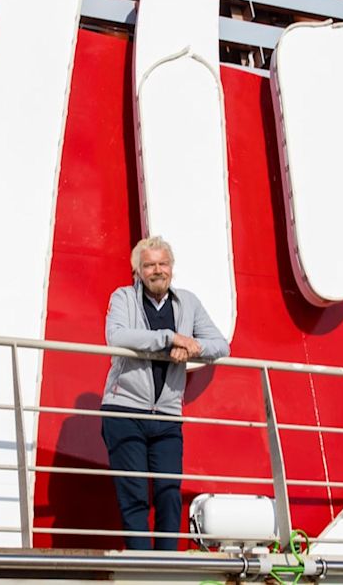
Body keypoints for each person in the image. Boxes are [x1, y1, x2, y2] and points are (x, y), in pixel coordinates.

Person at [101, 235, 228, 550]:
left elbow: (220, 344)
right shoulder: (123, 297)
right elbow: (116, 336)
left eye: (162, 263)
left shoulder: (188, 302)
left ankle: (169, 565)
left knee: (169, 494)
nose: (157, 270)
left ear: (171, 267)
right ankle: (142, 567)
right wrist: (170, 339)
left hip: (168, 413)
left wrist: (192, 348)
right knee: (133, 495)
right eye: (149, 265)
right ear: (138, 271)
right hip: (124, 410)